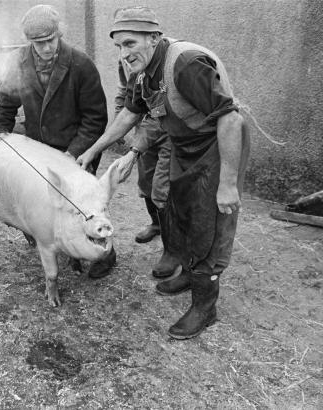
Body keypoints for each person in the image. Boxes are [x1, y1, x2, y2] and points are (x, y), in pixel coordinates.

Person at [77, 6, 249, 339]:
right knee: (179, 213)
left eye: (130, 44)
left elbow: (230, 120)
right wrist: (93, 150)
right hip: (185, 149)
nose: (125, 54)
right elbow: (129, 115)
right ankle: (188, 272)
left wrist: (227, 183)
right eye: (119, 47)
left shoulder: (184, 63)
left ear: (154, 38)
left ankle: (205, 306)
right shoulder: (143, 72)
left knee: (208, 226)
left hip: (214, 149)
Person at [0, 4, 115, 279]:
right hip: (39, 148)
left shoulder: (81, 65)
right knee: (45, 202)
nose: (45, 47)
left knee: (84, 205)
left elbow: (95, 118)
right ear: (28, 41)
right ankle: (51, 239)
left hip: (77, 147)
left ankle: (103, 251)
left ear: (60, 34)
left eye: (50, 40)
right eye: (38, 42)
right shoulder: (18, 62)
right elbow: (7, 100)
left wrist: (75, 152)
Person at [114, 59, 172, 249]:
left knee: (161, 187)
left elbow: (161, 109)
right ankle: (156, 224)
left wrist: (134, 150)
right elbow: (124, 92)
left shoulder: (164, 64)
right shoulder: (124, 60)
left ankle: (172, 240)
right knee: (146, 182)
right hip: (145, 131)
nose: (127, 53)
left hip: (168, 130)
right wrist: (118, 124)